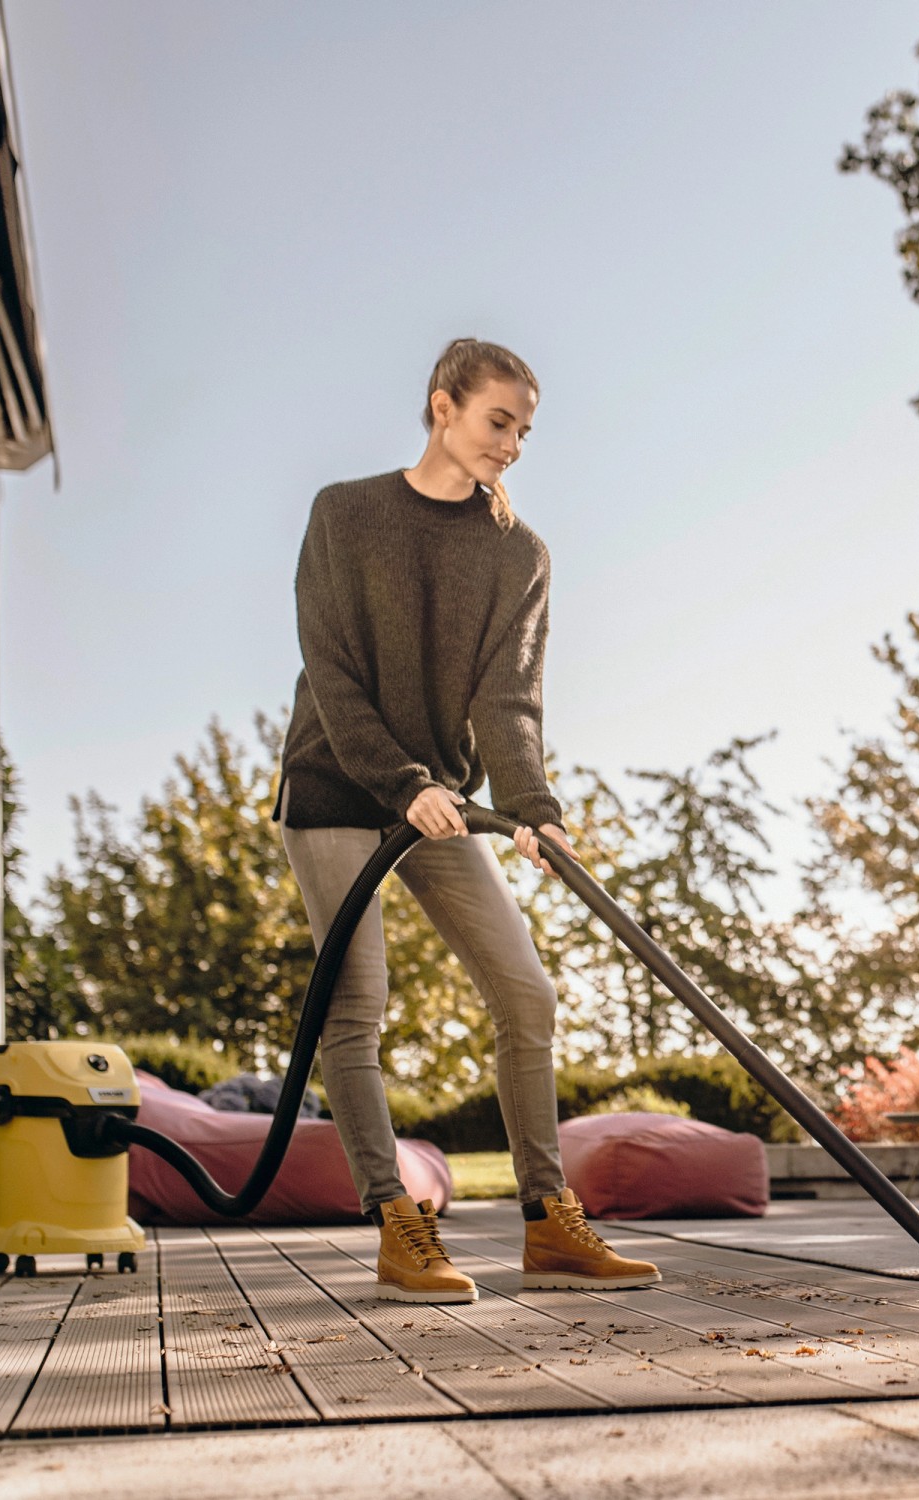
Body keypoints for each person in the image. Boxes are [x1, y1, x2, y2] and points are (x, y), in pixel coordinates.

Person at [273, 337, 658, 1302]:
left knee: (526, 994)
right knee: (357, 1005)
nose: (512, 444)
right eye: (499, 421)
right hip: (337, 787)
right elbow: (331, 669)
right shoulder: (344, 513)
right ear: (442, 405)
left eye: (524, 431)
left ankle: (550, 1222)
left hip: (440, 806)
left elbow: (508, 701)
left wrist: (533, 809)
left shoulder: (518, 553)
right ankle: (396, 1221)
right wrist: (401, 780)